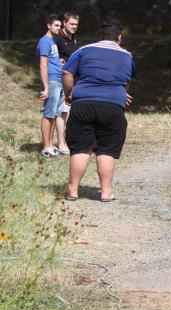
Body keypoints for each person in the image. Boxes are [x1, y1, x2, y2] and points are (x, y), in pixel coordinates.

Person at [63, 19, 135, 202]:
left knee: (80, 147)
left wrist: (69, 94)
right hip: (112, 107)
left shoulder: (83, 50)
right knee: (107, 149)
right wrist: (120, 94)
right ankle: (106, 192)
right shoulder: (127, 56)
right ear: (119, 38)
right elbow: (127, 79)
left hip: (83, 104)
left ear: (99, 37)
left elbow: (67, 73)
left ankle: (73, 190)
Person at [36, 14, 66, 157]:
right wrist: (46, 87)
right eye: (56, 25)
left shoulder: (53, 42)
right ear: (49, 25)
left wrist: (59, 63)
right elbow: (42, 65)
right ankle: (45, 146)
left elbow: (50, 60)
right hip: (52, 81)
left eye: (60, 26)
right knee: (48, 114)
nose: (59, 28)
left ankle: (51, 144)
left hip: (59, 80)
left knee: (55, 114)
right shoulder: (44, 42)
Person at [53, 12, 79, 127]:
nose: (74, 27)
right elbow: (49, 57)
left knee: (67, 111)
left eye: (76, 24)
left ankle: (63, 140)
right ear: (64, 23)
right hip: (58, 79)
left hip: (71, 79)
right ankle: (47, 143)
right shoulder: (57, 38)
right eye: (72, 24)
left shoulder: (74, 38)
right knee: (55, 113)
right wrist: (58, 61)